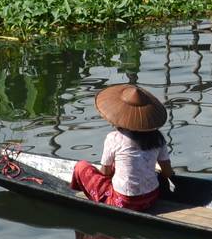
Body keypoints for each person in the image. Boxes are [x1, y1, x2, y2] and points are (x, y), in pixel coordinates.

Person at [70, 83, 175, 212]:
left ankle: (73, 195)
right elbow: (167, 172)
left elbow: (105, 173)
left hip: (123, 202)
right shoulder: (158, 138)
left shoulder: (114, 138)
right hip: (151, 198)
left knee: (81, 166)